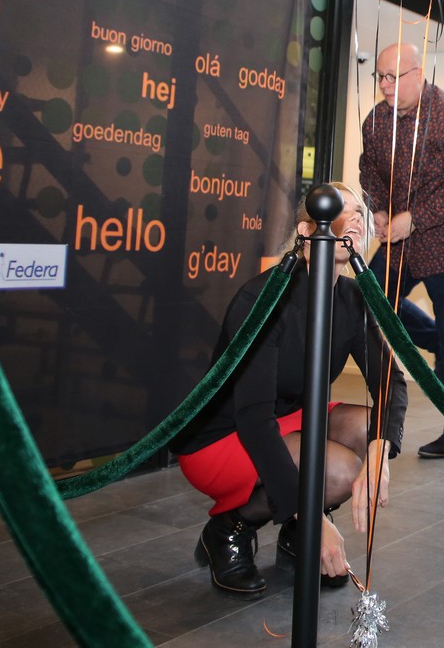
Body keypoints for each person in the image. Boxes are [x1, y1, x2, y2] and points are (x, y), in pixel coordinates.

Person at [172, 183, 408, 599]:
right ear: (306, 230)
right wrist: (315, 518)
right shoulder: (264, 298)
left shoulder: (352, 296)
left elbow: (391, 382)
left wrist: (379, 452)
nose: (356, 217)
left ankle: (296, 535)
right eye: (341, 208)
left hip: (286, 417)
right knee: (340, 471)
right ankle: (229, 527)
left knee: (369, 428)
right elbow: (252, 418)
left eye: (360, 211)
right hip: (224, 435)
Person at [359, 42, 444, 459]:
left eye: (392, 77)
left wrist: (413, 218)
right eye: (380, 76)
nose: (384, 85)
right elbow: (369, 169)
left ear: (418, 74)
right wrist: (379, 208)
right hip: (401, 239)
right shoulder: (376, 120)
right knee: (369, 297)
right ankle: (440, 341)